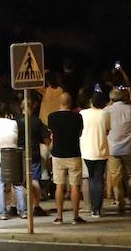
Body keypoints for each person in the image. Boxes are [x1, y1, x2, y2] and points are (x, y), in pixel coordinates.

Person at [47, 92, 85, 224]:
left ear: (60, 102)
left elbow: (51, 134)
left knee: (59, 186)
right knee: (75, 186)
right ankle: (75, 216)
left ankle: (59, 216)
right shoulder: (77, 117)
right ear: (71, 103)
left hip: (57, 154)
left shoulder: (52, 117)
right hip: (74, 153)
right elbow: (80, 133)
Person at [0, 101, 26, 219]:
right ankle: (23, 212)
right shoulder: (13, 123)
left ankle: (2, 212)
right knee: (17, 184)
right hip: (12, 155)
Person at [105, 87, 131, 214]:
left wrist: (110, 102)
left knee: (116, 177)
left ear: (111, 98)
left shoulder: (107, 110)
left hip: (113, 148)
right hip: (129, 148)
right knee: (130, 176)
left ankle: (120, 203)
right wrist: (130, 93)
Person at [79, 89, 109, 217]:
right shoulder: (105, 114)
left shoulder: (83, 113)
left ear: (91, 101)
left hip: (86, 150)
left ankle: (92, 207)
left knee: (91, 178)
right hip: (101, 149)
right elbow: (107, 130)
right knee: (99, 178)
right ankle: (98, 207)